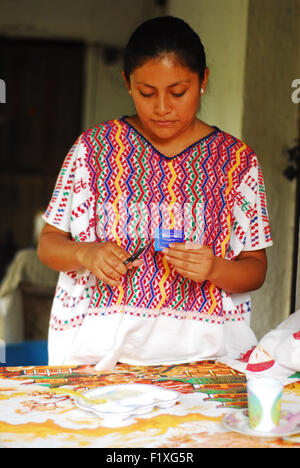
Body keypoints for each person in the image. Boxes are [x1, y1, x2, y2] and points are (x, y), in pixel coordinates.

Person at [38, 16, 273, 369]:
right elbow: (49, 243)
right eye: (147, 93)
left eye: (178, 92)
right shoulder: (93, 149)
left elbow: (255, 269)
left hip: (202, 360)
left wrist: (214, 268)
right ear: (127, 84)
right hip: (104, 360)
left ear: (203, 80)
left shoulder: (236, 162)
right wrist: (87, 254)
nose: (162, 108)